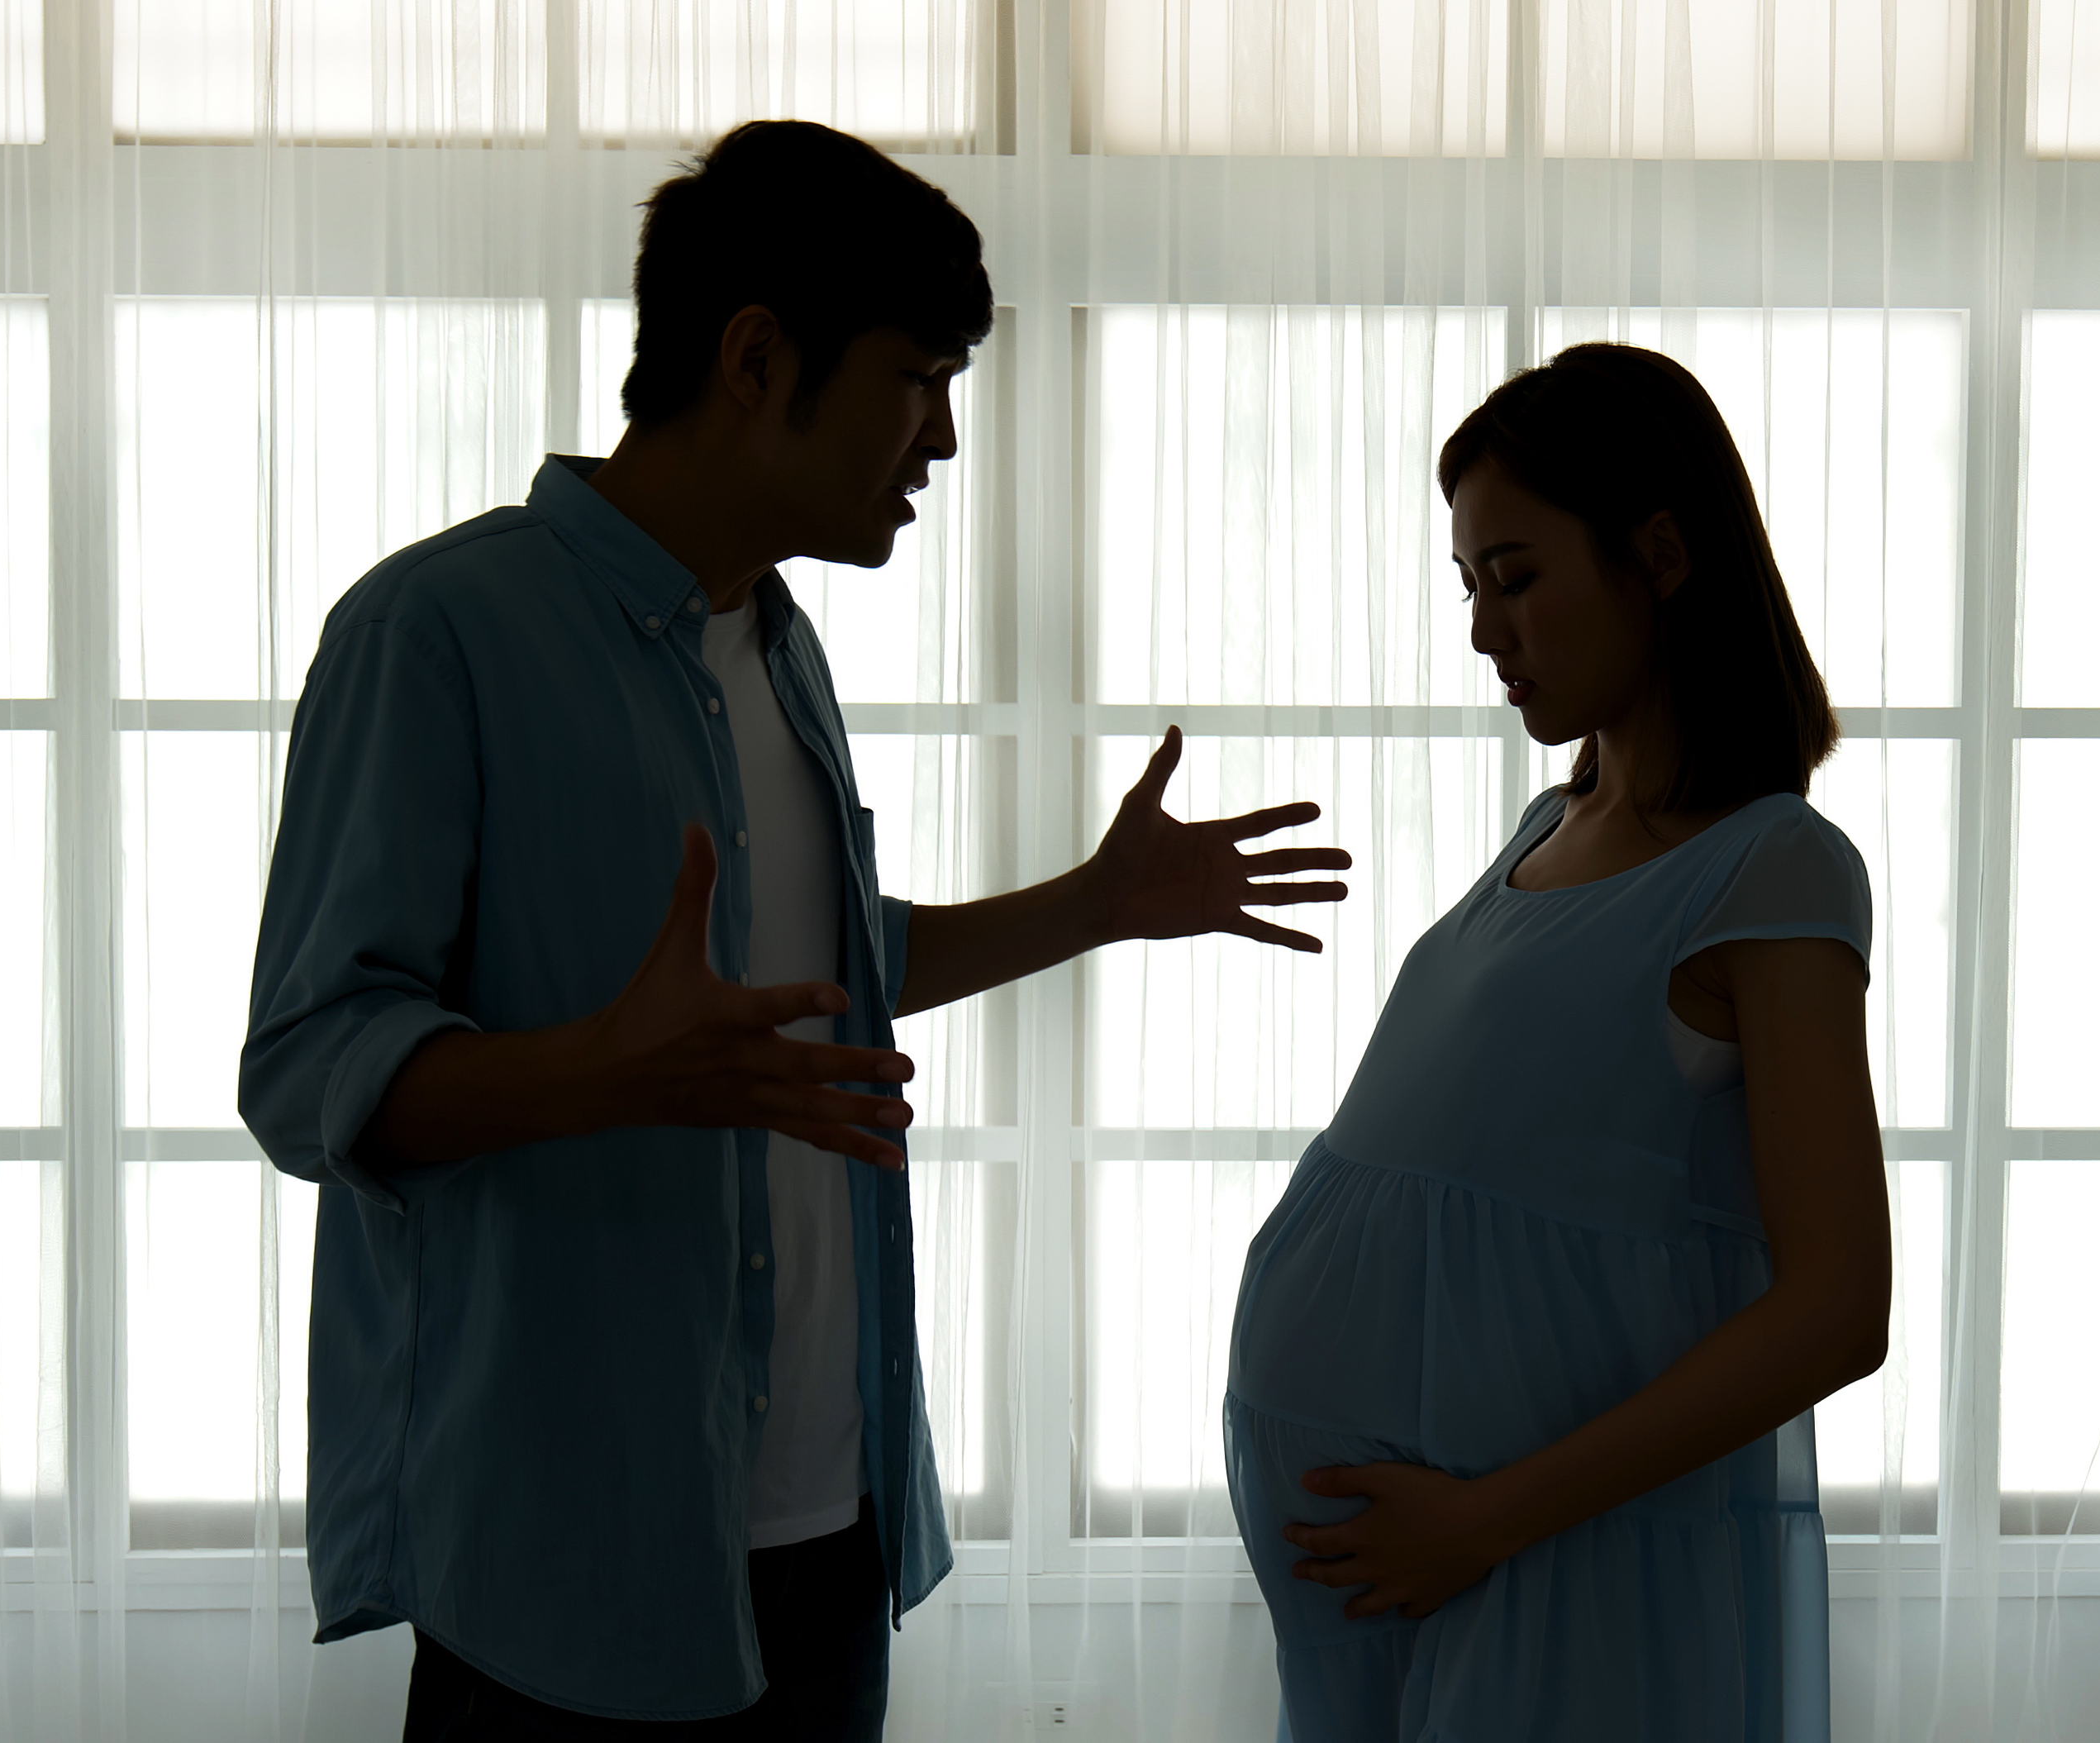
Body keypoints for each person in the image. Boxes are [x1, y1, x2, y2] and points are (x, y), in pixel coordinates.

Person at [240, 120, 1351, 1741]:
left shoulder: (777, 644)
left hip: (826, 1538)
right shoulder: (435, 631)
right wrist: (601, 1071)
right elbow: (309, 1066)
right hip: (570, 1564)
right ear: (757, 358)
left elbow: (813, 976)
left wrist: (1098, 907)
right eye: (919, 376)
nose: (944, 437)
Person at [1222, 343, 1894, 1741]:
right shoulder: (1548, 825)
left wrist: (1482, 1517)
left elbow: (1838, 1306)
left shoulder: (1774, 869)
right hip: (1405, 1577)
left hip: (1548, 1557)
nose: (1483, 629)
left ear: (1659, 553)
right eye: (1467, 584)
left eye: (1515, 577)